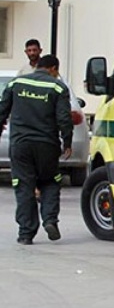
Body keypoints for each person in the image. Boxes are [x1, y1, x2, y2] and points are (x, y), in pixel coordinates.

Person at [0, 55, 73, 245]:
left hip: (20, 145)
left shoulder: (16, 83)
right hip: (47, 145)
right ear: (53, 68)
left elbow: (2, 110)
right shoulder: (57, 87)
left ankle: (26, 234)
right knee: (50, 181)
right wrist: (67, 142)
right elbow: (64, 118)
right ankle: (50, 220)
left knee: (24, 186)